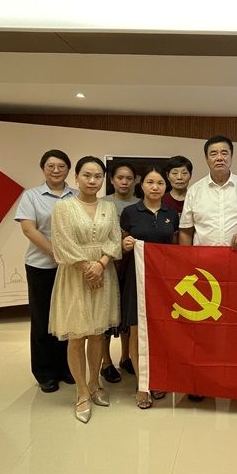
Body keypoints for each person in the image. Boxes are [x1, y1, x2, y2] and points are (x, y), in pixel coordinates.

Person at [179, 135, 237, 401]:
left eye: (224, 153)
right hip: (205, 272)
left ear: (231, 156)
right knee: (205, 330)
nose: (219, 157)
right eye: (214, 153)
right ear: (206, 158)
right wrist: (187, 265)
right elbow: (186, 231)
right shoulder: (195, 191)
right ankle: (202, 383)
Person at [49, 156, 122, 423]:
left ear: (103, 180)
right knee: (77, 335)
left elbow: (115, 239)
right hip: (74, 275)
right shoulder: (63, 207)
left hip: (104, 273)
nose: (92, 181)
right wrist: (86, 268)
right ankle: (81, 392)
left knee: (98, 334)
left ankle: (95, 383)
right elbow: (62, 243)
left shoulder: (108, 207)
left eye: (97, 176)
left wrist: (101, 264)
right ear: (76, 177)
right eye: (87, 175)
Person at [15, 149, 77, 394]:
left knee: (68, 319)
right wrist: (57, 253)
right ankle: (44, 373)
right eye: (51, 166)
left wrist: (71, 258)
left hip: (72, 268)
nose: (56, 170)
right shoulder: (31, 196)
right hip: (41, 266)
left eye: (61, 166)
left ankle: (66, 367)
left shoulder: (76, 196)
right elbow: (29, 230)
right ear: (43, 169)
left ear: (68, 170)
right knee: (42, 320)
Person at [120, 167, 179, 409]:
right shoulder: (130, 212)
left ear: (166, 187)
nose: (155, 187)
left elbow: (176, 248)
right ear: (141, 185)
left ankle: (158, 378)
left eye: (160, 183)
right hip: (137, 279)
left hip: (164, 282)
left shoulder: (171, 214)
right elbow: (119, 243)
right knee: (137, 331)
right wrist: (124, 244)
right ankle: (142, 384)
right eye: (150, 182)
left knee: (161, 331)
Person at [99, 161, 139, 382]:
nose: (124, 182)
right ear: (112, 180)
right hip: (108, 265)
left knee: (127, 314)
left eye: (129, 178)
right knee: (106, 315)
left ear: (135, 181)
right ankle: (106, 362)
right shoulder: (102, 204)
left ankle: (125, 357)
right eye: (120, 178)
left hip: (131, 266)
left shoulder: (139, 204)